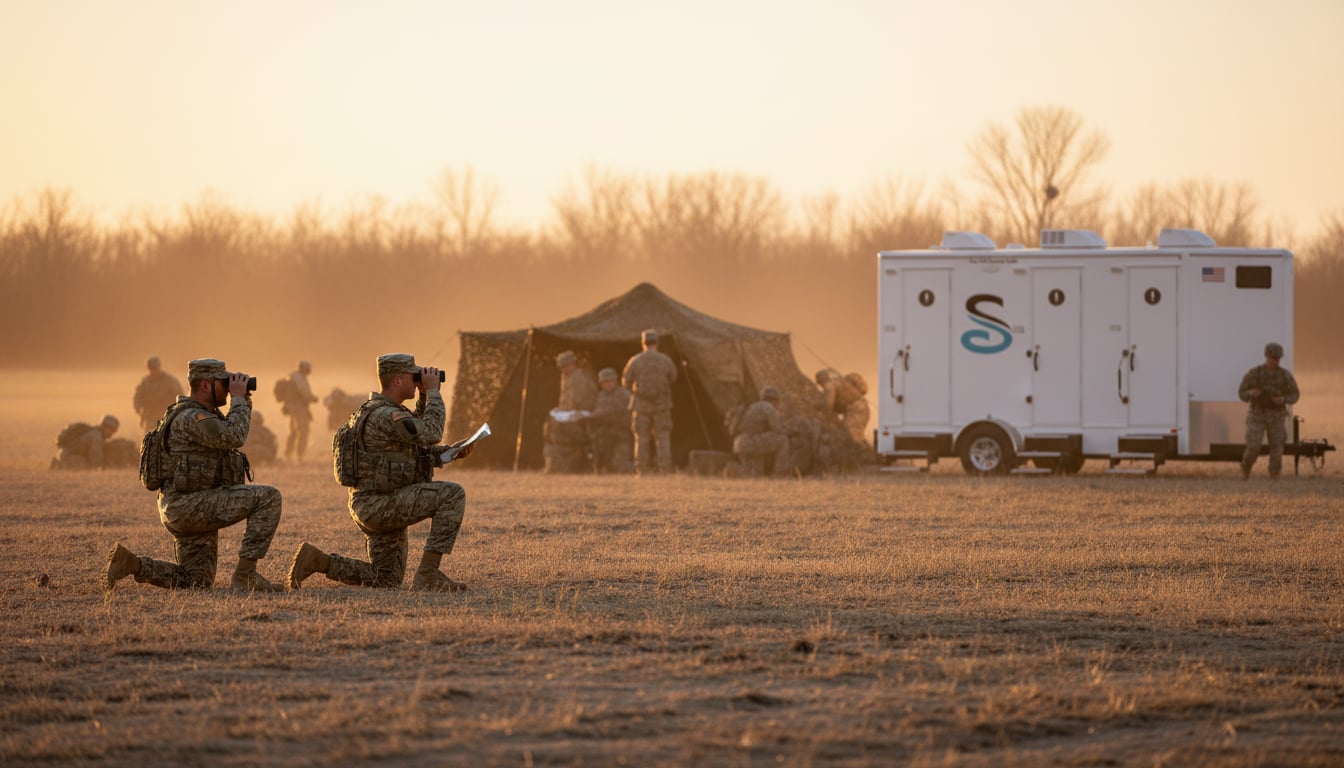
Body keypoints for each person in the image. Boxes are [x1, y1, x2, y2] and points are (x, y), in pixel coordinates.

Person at [287, 353, 472, 592]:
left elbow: (415, 446)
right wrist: (434, 391)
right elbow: (431, 431)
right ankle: (428, 574)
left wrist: (451, 452)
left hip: (373, 502)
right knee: (452, 494)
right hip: (381, 504)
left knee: (386, 578)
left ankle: (319, 561)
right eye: (412, 376)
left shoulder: (377, 411)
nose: (418, 380)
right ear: (397, 380)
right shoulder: (386, 416)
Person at [105, 359, 285, 593]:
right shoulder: (191, 418)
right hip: (190, 506)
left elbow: (230, 430)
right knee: (269, 497)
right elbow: (234, 436)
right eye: (222, 383)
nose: (227, 388)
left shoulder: (197, 414)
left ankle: (132, 564)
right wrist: (239, 400)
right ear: (204, 386)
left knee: (196, 580)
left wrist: (244, 400)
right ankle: (246, 576)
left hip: (184, 505)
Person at [1238, 342, 1300, 479]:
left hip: (1276, 415)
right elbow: (1241, 393)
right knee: (1253, 446)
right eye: (1273, 358)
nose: (1275, 361)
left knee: (1277, 449)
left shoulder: (1284, 376)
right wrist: (1251, 393)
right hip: (1257, 414)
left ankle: (1275, 475)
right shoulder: (1254, 374)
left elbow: (1295, 394)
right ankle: (1245, 469)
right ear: (1266, 356)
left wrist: (1283, 399)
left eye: (1278, 358)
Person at [622, 329, 677, 475]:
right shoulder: (665, 360)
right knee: (663, 437)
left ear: (643, 343)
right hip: (662, 405)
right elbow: (673, 377)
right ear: (657, 343)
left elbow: (625, 381)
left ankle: (641, 470)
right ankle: (664, 469)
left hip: (641, 405)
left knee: (641, 438)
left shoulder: (635, 360)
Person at [544, 350, 598, 473]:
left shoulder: (580, 378)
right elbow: (565, 400)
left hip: (580, 415)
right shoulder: (566, 377)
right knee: (550, 430)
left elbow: (580, 401)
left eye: (565, 366)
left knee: (559, 435)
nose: (563, 369)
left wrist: (574, 412)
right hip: (567, 415)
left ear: (572, 364)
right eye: (561, 367)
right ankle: (553, 466)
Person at [731, 386, 791, 477]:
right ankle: (780, 474)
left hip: (740, 444)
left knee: (754, 475)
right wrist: (789, 431)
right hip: (751, 442)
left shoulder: (752, 406)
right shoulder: (768, 406)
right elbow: (777, 429)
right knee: (783, 440)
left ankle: (733, 470)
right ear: (774, 400)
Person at [587, 367, 634, 473]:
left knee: (620, 466)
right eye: (604, 382)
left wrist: (606, 415)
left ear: (615, 381)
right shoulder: (601, 395)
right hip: (604, 432)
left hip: (621, 432)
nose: (607, 384)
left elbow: (628, 414)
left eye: (610, 381)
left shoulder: (625, 395)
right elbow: (597, 410)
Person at [816, 368, 870, 446]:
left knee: (851, 437)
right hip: (860, 408)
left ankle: (864, 454)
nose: (819, 384)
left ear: (823, 378)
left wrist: (823, 416)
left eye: (818, 381)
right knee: (850, 436)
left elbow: (828, 406)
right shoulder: (838, 382)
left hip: (858, 409)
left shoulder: (829, 385)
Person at [133, 355, 184, 434]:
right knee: (149, 438)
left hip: (166, 415)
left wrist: (178, 410)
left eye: (155, 368)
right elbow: (138, 396)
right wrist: (138, 409)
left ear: (159, 367)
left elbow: (180, 394)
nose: (153, 370)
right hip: (150, 416)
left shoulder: (169, 380)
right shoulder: (145, 382)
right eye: (151, 368)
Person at [50, 415, 119, 470]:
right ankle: (59, 465)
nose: (112, 434)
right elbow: (96, 461)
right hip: (70, 460)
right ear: (106, 427)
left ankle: (57, 463)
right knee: (91, 469)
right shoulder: (96, 437)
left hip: (62, 455)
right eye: (113, 430)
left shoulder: (90, 431)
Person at [281, 360, 318, 461]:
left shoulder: (292, 377)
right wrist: (313, 398)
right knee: (303, 431)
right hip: (299, 408)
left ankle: (288, 454)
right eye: (308, 368)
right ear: (303, 368)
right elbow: (304, 392)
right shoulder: (299, 378)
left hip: (292, 408)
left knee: (293, 432)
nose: (310, 371)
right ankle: (300, 455)